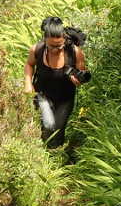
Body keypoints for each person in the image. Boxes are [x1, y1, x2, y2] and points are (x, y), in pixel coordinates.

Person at [23, 17, 89, 148]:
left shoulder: (75, 52)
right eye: (51, 46)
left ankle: (55, 157)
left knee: (58, 129)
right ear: (45, 39)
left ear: (64, 39)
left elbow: (81, 73)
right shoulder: (37, 49)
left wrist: (77, 80)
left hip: (65, 98)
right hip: (42, 94)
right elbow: (29, 64)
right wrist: (28, 83)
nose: (56, 49)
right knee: (48, 125)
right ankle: (42, 155)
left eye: (59, 46)